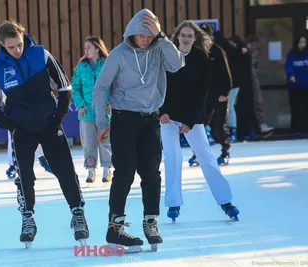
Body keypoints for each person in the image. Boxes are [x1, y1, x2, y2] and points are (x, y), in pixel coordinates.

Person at [0, 20, 88, 248]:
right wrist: (12, 125)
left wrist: (58, 115)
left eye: (20, 44)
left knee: (64, 169)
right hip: (22, 129)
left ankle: (77, 212)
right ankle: (28, 218)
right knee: (25, 175)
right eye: (11, 47)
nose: (17, 50)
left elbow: (64, 86)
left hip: (49, 123)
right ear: (2, 44)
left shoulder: (40, 55)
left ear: (24, 37)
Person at [93, 9, 184, 252]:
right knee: (124, 173)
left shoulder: (159, 49)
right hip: (124, 120)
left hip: (151, 120)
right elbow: (101, 87)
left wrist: (162, 37)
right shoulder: (119, 54)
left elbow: (176, 65)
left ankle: (150, 222)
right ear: (131, 33)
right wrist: (102, 121)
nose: (144, 40)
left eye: (149, 36)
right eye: (140, 35)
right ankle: (115, 228)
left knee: (152, 174)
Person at [159, 21, 239, 223]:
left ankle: (226, 201)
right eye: (183, 35)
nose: (185, 38)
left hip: (192, 117)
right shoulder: (166, 56)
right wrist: (161, 111)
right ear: (176, 36)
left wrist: (189, 121)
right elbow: (158, 85)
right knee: (172, 158)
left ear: (195, 39)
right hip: (168, 116)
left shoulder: (201, 58)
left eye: (190, 35)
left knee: (206, 157)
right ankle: (173, 203)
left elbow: (201, 92)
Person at [189, 22, 233, 167]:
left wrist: (225, 92)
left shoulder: (217, 51)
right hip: (203, 96)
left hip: (219, 95)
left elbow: (226, 73)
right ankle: (198, 153)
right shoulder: (195, 52)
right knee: (199, 125)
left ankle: (225, 150)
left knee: (219, 126)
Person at [72, 36, 112, 184]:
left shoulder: (107, 64)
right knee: (89, 142)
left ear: (97, 48)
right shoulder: (81, 67)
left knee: (105, 140)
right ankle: (90, 169)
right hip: (87, 112)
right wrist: (80, 105)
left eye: (89, 47)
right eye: (85, 48)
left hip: (104, 111)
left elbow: (115, 84)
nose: (86, 50)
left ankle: (107, 168)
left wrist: (111, 102)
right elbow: (75, 87)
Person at [213, 31, 246, 142]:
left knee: (227, 107)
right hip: (232, 83)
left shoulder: (220, 51)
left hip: (229, 84)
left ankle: (229, 131)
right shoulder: (232, 48)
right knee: (229, 107)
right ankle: (230, 131)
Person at [246, 35, 274, 136]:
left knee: (257, 101)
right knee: (256, 102)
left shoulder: (254, 54)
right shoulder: (249, 54)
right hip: (250, 79)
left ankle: (259, 126)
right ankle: (259, 125)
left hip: (253, 78)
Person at [284, 35, 308, 136]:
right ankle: (296, 129)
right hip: (295, 86)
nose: (302, 45)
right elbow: (288, 66)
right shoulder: (292, 54)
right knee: (296, 107)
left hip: (306, 84)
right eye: (300, 42)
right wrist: (291, 75)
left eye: (304, 42)